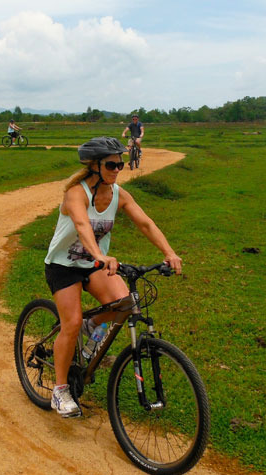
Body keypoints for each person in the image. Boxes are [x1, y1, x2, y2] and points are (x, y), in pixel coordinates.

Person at [44, 136, 182, 417]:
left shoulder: (119, 194)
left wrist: (169, 251)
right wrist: (100, 255)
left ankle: (91, 325)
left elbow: (145, 223)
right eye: (112, 164)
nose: (118, 168)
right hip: (63, 266)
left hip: (94, 266)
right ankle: (59, 391)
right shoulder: (75, 193)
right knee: (70, 324)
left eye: (121, 163)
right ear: (94, 166)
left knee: (125, 302)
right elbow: (82, 226)